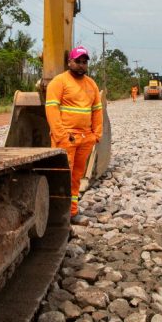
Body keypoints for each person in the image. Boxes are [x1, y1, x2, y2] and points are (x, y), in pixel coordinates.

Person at [45, 46, 103, 223]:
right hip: (66, 138)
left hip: (85, 139)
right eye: (77, 61)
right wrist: (61, 136)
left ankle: (72, 212)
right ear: (69, 62)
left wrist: (96, 135)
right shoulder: (59, 82)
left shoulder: (91, 84)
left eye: (84, 62)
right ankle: (57, 215)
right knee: (61, 176)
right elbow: (52, 109)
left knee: (76, 176)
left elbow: (97, 110)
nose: (81, 65)